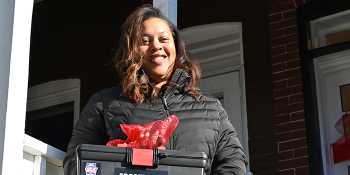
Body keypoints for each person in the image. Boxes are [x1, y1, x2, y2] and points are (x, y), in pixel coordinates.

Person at [63, 5, 248, 175]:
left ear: (176, 46)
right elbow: (75, 163)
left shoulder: (211, 109)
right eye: (145, 41)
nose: (156, 46)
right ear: (132, 51)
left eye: (164, 39)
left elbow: (233, 164)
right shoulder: (105, 103)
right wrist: (118, 159)